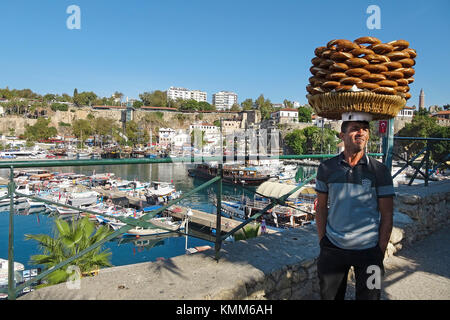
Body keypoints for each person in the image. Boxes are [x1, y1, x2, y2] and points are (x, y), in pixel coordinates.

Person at [314, 112, 394, 300]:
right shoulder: (326, 168)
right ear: (342, 136)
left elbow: (387, 215)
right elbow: (321, 208)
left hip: (370, 251)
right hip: (333, 249)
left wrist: (379, 252)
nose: (362, 133)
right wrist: (323, 243)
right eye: (355, 129)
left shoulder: (380, 171)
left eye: (365, 129)